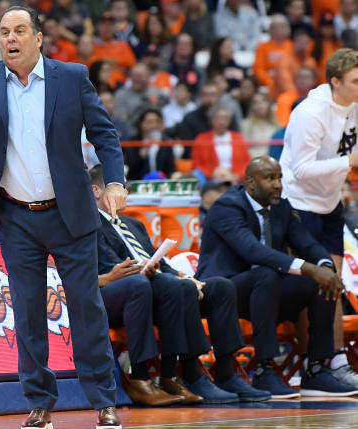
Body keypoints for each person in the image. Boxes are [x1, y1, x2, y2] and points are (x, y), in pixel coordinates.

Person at [0, 6, 126, 429]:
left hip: (70, 214)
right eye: (3, 32)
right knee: (28, 313)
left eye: (18, 31)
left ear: (38, 38)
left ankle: (104, 401)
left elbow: (104, 132)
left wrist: (115, 182)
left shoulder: (71, 77)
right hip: (16, 216)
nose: (10, 38)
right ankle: (39, 404)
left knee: (87, 309)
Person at [91, 164, 267, 404]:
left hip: (156, 286)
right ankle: (183, 374)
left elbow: (161, 261)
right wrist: (167, 277)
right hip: (120, 291)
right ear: (96, 191)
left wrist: (185, 276)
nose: (125, 193)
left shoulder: (135, 225)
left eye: (126, 187)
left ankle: (226, 373)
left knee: (219, 287)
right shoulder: (91, 225)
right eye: (120, 187)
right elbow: (114, 267)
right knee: (173, 286)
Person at [197, 156, 358, 397]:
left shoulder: (280, 207)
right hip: (223, 290)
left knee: (319, 281)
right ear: (250, 182)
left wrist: (325, 267)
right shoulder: (227, 207)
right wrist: (309, 268)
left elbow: (306, 243)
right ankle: (264, 370)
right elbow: (253, 251)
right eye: (270, 178)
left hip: (265, 290)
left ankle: (316, 370)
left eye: (280, 178)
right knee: (269, 273)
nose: (278, 185)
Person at [280, 48, 358, 387]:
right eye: (356, 81)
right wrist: (350, 163)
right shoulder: (310, 112)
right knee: (310, 284)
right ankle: (314, 366)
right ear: (336, 82)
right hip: (298, 203)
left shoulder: (354, 106)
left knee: (334, 282)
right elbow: (301, 168)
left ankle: (337, 360)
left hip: (329, 203)